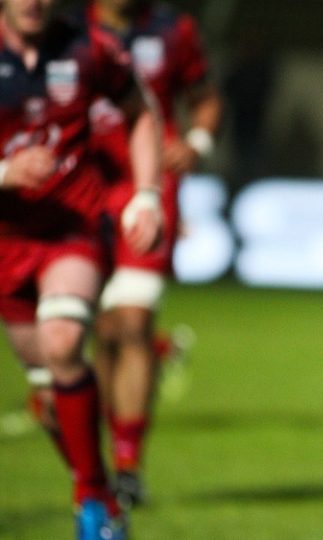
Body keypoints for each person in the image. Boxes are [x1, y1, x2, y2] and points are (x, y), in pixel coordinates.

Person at [0, 0, 163, 537]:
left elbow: (141, 110)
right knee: (50, 395)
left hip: (73, 228)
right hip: (7, 242)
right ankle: (97, 492)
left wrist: (146, 194)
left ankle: (92, 501)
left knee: (65, 341)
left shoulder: (89, 47)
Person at [77, 0, 222, 508]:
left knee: (134, 322)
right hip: (81, 190)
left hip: (148, 187)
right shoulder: (69, 25)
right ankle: (106, 452)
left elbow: (205, 100)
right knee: (102, 329)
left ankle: (128, 463)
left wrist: (198, 142)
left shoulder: (172, 30)